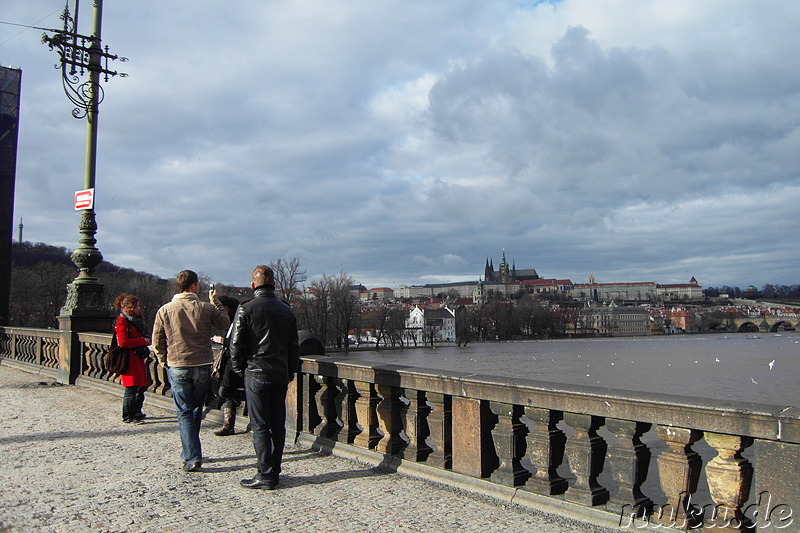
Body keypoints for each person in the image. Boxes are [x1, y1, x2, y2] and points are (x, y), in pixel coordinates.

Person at [153, 270, 230, 472]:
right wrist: (215, 302)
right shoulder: (205, 308)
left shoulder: (165, 310)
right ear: (194, 286)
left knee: (184, 412)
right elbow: (224, 323)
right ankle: (192, 452)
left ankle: (192, 455)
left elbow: (157, 341)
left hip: (178, 364)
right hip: (202, 364)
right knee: (195, 411)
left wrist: (164, 361)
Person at [230, 265, 299, 490]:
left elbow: (236, 345)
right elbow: (293, 346)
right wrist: (289, 371)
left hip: (255, 372)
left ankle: (265, 474)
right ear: (275, 285)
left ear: (253, 285)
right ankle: (275, 472)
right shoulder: (286, 310)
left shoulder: (246, 309)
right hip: (279, 373)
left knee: (260, 426)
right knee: (278, 425)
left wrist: (240, 369)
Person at [112, 293, 152, 424]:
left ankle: (136, 411)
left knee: (140, 386)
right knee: (131, 388)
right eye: (137, 306)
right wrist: (142, 341)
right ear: (129, 308)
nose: (139, 308)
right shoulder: (122, 321)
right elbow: (123, 342)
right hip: (129, 359)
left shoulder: (133, 320)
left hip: (136, 358)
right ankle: (128, 415)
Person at [211, 295, 243, 436]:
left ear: (227, 308)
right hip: (229, 362)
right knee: (227, 394)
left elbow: (236, 342)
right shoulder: (230, 322)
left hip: (234, 362)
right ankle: (228, 425)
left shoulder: (235, 321)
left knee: (225, 391)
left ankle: (246, 397)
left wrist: (222, 340)